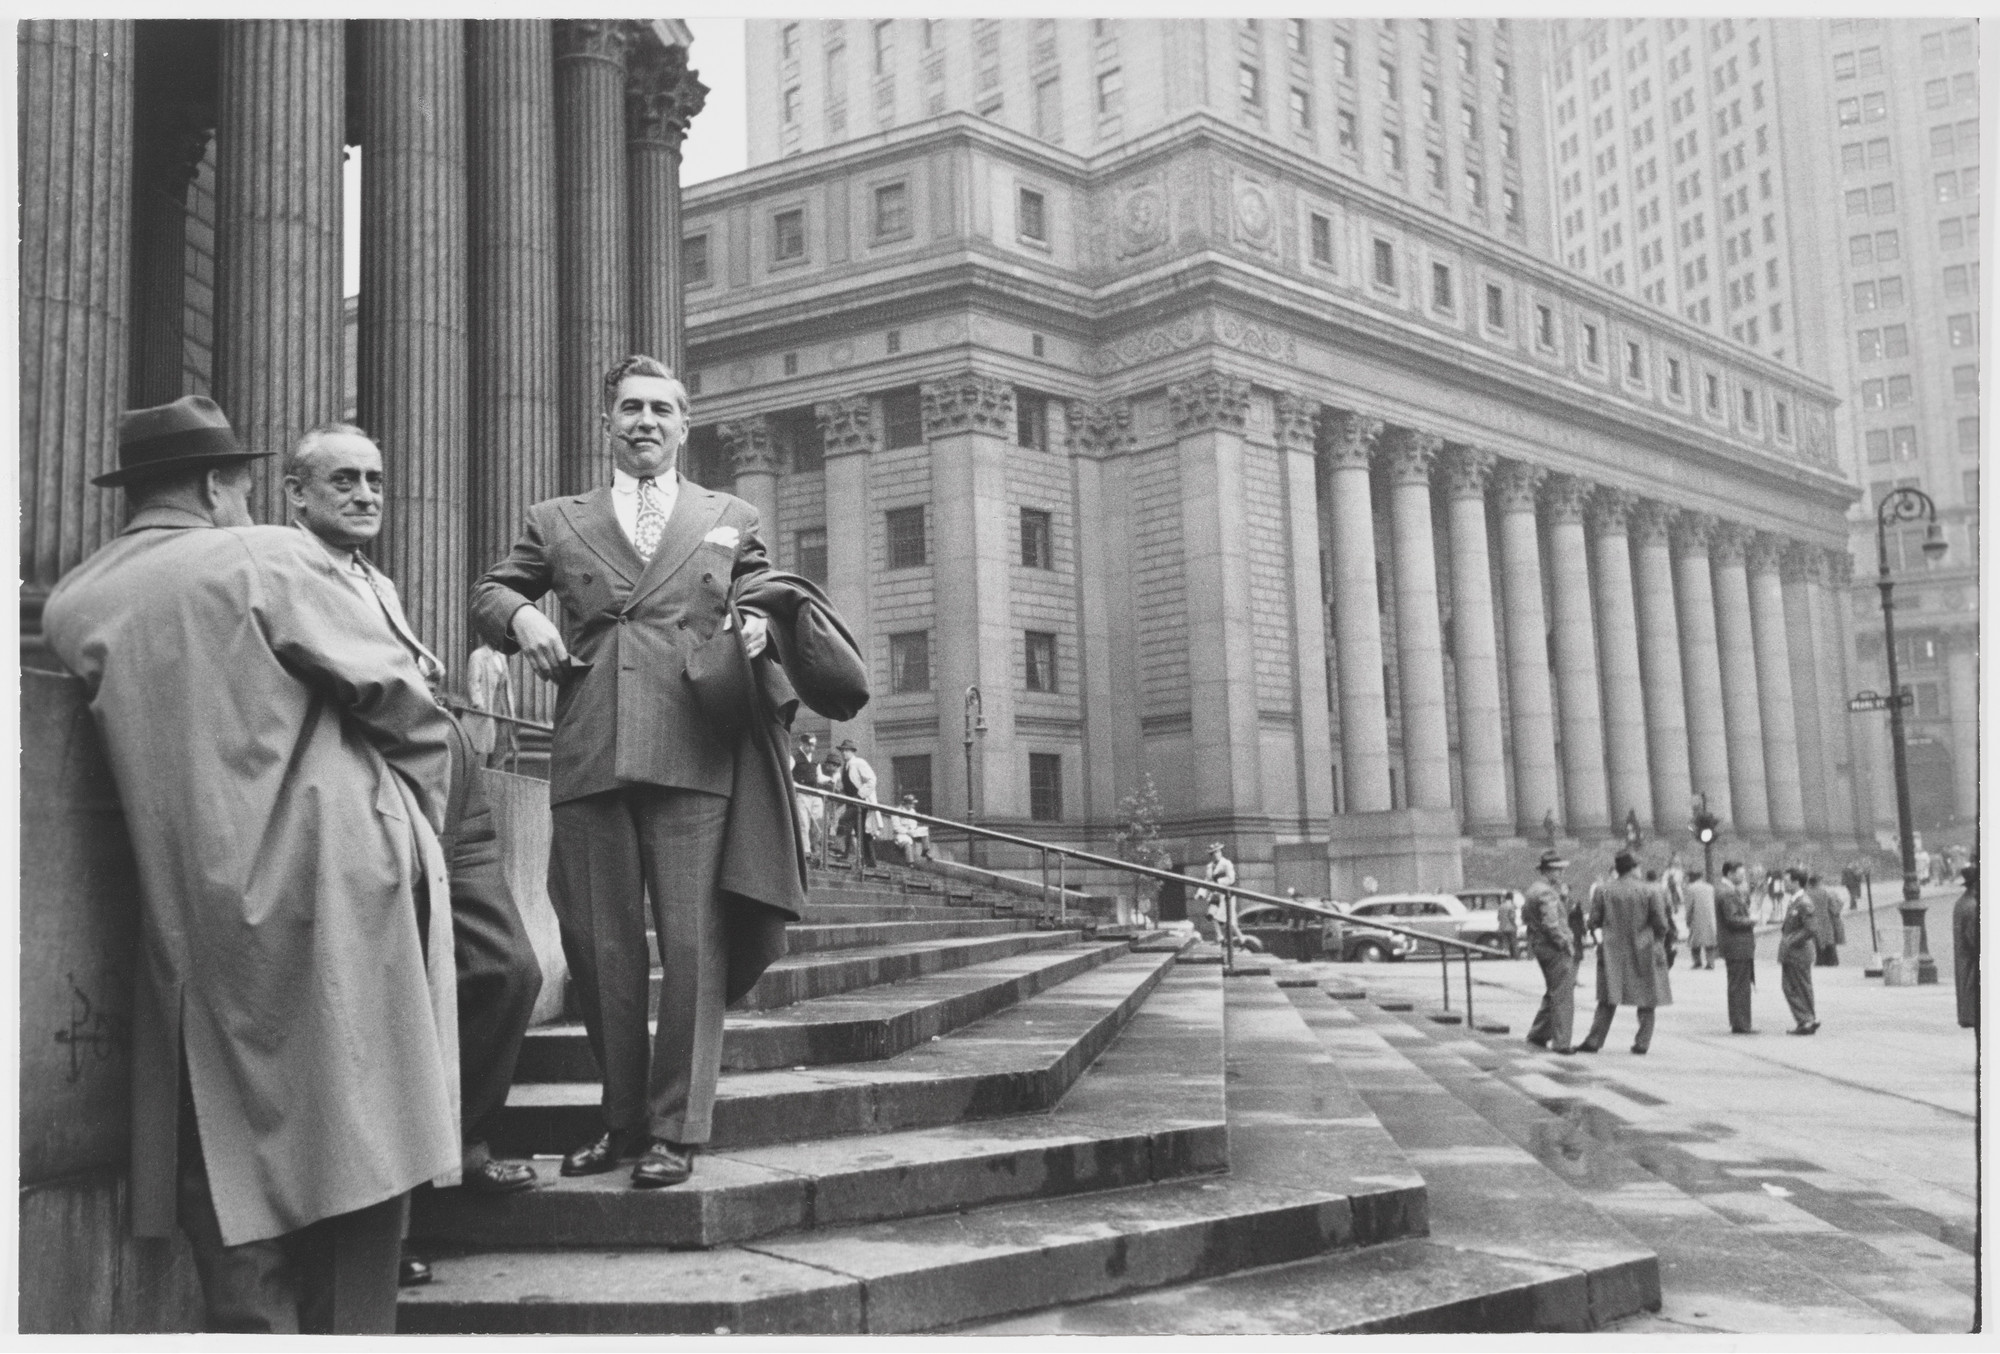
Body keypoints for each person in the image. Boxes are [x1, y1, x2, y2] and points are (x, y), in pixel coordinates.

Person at [42, 396, 458, 1332]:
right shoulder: (266, 554)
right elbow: (402, 700)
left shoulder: (74, 600)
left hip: (188, 906)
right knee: (368, 1132)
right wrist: (419, 820)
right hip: (342, 871)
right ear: (215, 485)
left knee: (230, 1156)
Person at [471, 354, 796, 1192]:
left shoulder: (730, 512)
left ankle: (677, 1132)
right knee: (598, 949)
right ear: (606, 424)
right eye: (630, 409)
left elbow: (762, 589)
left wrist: (757, 622)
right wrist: (518, 619)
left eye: (661, 409)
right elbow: (490, 592)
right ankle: (622, 1126)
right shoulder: (556, 518)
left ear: (685, 426)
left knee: (692, 947)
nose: (645, 421)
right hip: (592, 745)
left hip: (695, 744)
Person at [282, 426, 543, 1226]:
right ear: (296, 493)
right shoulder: (288, 570)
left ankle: (460, 1145)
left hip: (447, 793)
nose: (366, 495)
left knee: (508, 968)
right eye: (344, 482)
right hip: (377, 799)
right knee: (388, 1004)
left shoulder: (377, 580)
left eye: (376, 481)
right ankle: (389, 1219)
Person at [1577, 851, 1673, 1054]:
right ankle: (1642, 1043)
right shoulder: (1650, 891)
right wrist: (1657, 940)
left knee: (1608, 998)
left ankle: (1594, 1040)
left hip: (1613, 951)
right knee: (1647, 998)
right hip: (1644, 949)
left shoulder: (1603, 890)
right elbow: (1661, 923)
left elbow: (1593, 921)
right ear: (1633, 868)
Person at [1523, 851, 1578, 1054]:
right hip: (1553, 948)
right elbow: (1551, 924)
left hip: (1539, 945)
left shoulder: (1534, 890)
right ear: (1548, 871)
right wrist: (1564, 943)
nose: (1562, 873)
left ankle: (1538, 1034)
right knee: (1563, 995)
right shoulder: (1547, 893)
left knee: (1553, 992)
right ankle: (1561, 1042)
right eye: (1558, 869)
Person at [1715, 860, 1758, 1033]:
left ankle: (1739, 1022)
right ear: (1730, 873)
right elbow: (1732, 919)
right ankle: (1741, 1024)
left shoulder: (1725, 890)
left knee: (1738, 985)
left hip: (1735, 945)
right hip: (1737, 944)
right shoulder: (1728, 893)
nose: (1743, 877)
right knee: (1740, 986)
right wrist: (1751, 920)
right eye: (1741, 873)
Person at [1778, 868, 1821, 1035]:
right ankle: (1808, 1019)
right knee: (1798, 987)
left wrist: (1790, 941)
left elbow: (1811, 928)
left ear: (1796, 882)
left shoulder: (1803, 902)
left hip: (1798, 952)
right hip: (1794, 953)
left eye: (1787, 880)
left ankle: (1806, 1020)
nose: (1784, 884)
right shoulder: (1795, 901)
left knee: (1795, 987)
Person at [465, 642, 518, 769]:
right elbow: (473, 682)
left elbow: (506, 685)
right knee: (482, 750)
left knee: (500, 748)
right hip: (486, 709)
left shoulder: (501, 656)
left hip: (501, 708)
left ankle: (497, 782)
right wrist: (478, 704)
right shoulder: (477, 656)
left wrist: (510, 710)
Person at [835, 738, 882, 868]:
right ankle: (870, 862)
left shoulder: (859, 763)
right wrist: (841, 790)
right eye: (842, 751)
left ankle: (842, 851)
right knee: (861, 832)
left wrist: (860, 795)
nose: (844, 753)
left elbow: (872, 780)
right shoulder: (845, 767)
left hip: (861, 802)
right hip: (851, 802)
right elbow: (849, 784)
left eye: (846, 751)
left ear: (852, 751)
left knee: (844, 821)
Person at [1954, 855, 1979, 1032]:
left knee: (1965, 987)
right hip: (1971, 957)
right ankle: (1972, 1016)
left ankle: (1967, 1016)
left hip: (1963, 955)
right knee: (1971, 986)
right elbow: (1974, 938)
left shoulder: (1961, 902)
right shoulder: (1972, 906)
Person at [792, 733, 825, 858]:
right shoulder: (795, 758)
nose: (812, 748)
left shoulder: (815, 761)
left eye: (814, 745)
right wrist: (795, 785)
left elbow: (819, 777)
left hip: (815, 794)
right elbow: (787, 773)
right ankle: (806, 849)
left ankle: (814, 845)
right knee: (803, 822)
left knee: (818, 820)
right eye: (810, 745)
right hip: (802, 793)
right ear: (803, 744)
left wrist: (829, 779)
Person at [1807, 871, 1846, 967]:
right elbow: (1835, 906)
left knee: (1817, 941)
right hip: (1826, 919)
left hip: (1813, 920)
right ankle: (1832, 961)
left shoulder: (1807, 893)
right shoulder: (1825, 892)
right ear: (1818, 882)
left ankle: (1820, 960)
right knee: (1829, 940)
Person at [1684, 868, 1718, 969]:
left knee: (1695, 941)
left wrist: (1688, 919)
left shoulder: (1690, 888)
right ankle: (1710, 962)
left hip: (1696, 917)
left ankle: (1697, 961)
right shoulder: (1710, 887)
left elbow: (1689, 906)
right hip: (1710, 917)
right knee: (1709, 940)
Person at [889, 793, 934, 863]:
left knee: (924, 830)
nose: (913, 806)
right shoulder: (896, 811)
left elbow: (914, 823)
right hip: (902, 833)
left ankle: (925, 851)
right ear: (906, 804)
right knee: (907, 843)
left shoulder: (912, 811)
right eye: (911, 804)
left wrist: (912, 829)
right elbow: (896, 827)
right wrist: (907, 831)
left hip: (911, 831)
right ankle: (910, 863)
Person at [1496, 890, 1521, 958]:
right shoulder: (1511, 906)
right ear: (1512, 898)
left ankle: (1505, 956)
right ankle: (1516, 956)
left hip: (1502, 927)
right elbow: (1512, 917)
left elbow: (1498, 918)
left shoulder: (1501, 906)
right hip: (1511, 927)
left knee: (1504, 943)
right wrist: (1515, 925)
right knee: (1514, 942)